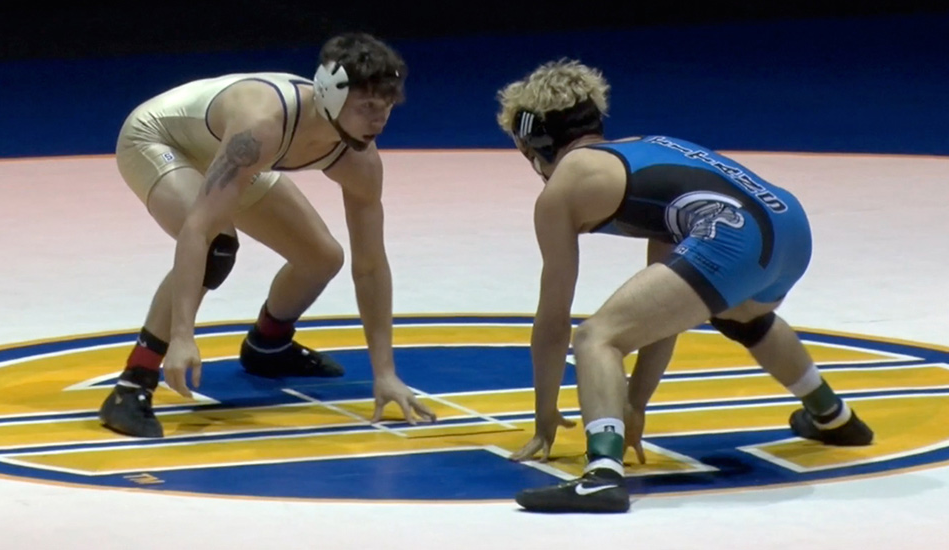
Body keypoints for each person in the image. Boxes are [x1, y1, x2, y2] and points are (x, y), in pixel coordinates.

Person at [494, 59, 873, 513]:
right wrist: (635, 403)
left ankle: (601, 477)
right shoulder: (647, 149)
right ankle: (833, 417)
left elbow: (553, 321)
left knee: (597, 337)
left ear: (535, 142)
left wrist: (545, 415)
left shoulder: (563, 189)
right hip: (790, 229)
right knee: (741, 317)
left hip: (737, 237)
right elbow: (667, 314)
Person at [99, 32, 437, 439]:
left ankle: (268, 345)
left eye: (386, 107)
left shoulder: (360, 158)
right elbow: (197, 230)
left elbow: (370, 265)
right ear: (331, 95)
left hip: (232, 155)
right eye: (367, 107)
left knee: (321, 257)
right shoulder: (261, 127)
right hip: (158, 140)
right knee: (217, 247)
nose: (379, 121)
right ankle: (133, 382)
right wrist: (183, 334)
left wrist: (385, 373)